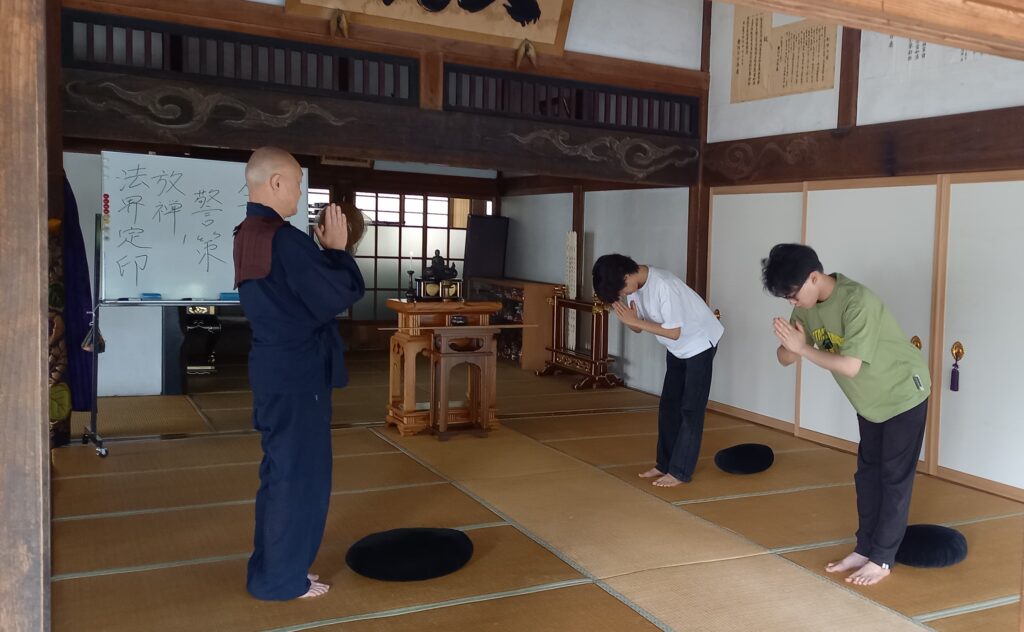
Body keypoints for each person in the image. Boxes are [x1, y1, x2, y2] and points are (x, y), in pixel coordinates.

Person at [233, 147, 365, 600]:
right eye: (295, 183)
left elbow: (298, 297)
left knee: (280, 473)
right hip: (298, 373)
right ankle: (280, 580)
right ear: (274, 183)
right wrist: (338, 250)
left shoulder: (246, 233)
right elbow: (336, 295)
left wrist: (323, 255)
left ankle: (273, 570)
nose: (299, 193)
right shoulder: (283, 238)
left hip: (272, 368)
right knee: (299, 478)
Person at [761, 243, 930, 586]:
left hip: (902, 394)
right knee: (867, 475)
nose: (792, 303)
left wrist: (802, 348)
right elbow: (785, 358)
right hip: (869, 402)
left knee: (893, 479)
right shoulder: (806, 307)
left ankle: (882, 559)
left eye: (793, 295)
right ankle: (865, 547)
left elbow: (850, 366)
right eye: (787, 299)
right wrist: (790, 348)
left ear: (814, 277)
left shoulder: (857, 301)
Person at [592, 254, 724, 488]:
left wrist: (636, 322)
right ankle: (664, 464)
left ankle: (680, 471)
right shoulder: (633, 286)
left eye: (620, 290)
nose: (622, 295)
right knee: (668, 406)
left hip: (700, 344)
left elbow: (674, 332)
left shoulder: (663, 285)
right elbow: (640, 329)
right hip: (676, 348)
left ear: (626, 275)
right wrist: (630, 321)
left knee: (691, 410)